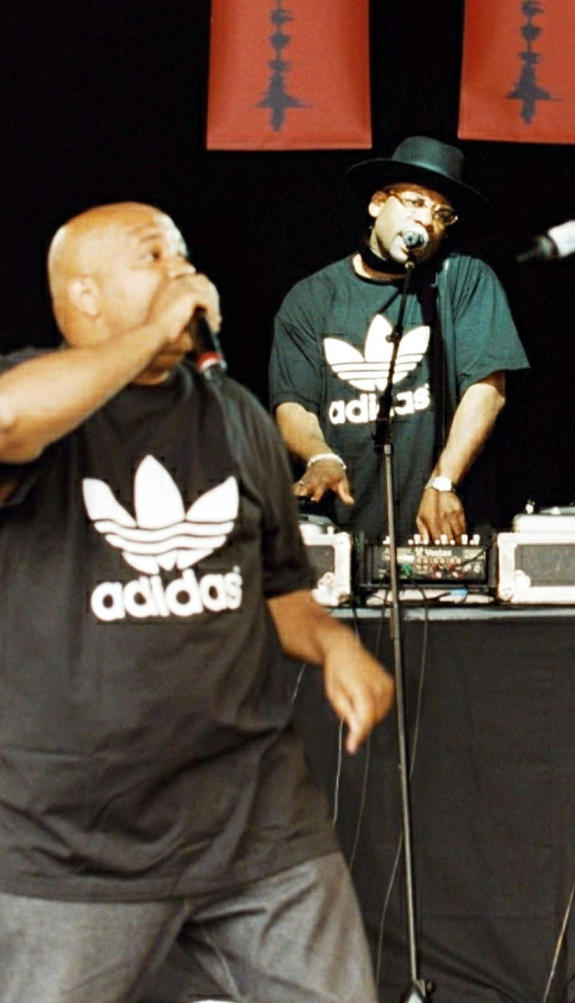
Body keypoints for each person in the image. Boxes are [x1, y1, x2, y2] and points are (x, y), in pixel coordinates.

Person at [0, 202, 395, 1002]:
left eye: (185, 255)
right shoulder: (39, 399)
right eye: (154, 257)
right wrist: (147, 337)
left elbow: (279, 587)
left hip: (254, 815)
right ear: (84, 296)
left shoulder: (237, 414)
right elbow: (8, 421)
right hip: (78, 838)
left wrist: (334, 644)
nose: (184, 272)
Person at [269, 135, 529, 543]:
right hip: (343, 532)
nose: (427, 221)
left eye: (442, 214)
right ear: (377, 204)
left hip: (443, 532)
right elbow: (292, 404)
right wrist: (320, 456)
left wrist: (443, 482)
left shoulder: (463, 279)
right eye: (416, 203)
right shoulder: (312, 298)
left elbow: (487, 389)